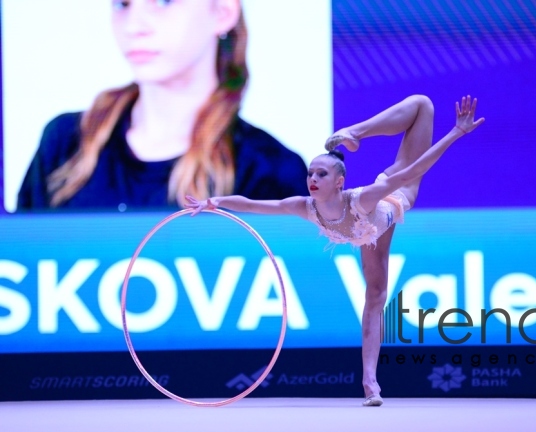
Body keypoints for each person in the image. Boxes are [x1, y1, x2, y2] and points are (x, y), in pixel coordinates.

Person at [185, 94, 485, 406]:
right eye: (310, 173)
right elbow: (254, 205)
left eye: (321, 174)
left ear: (340, 182)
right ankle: (370, 382)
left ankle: (356, 131)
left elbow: (410, 174)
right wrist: (215, 202)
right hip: (370, 235)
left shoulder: (363, 199)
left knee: (423, 105)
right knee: (375, 298)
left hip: (396, 195)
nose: (312, 179)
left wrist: (456, 133)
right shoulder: (305, 206)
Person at [17, 0, 308, 212]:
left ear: (222, 12)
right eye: (122, 4)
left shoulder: (269, 171)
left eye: (163, 2)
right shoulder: (65, 143)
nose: (134, 26)